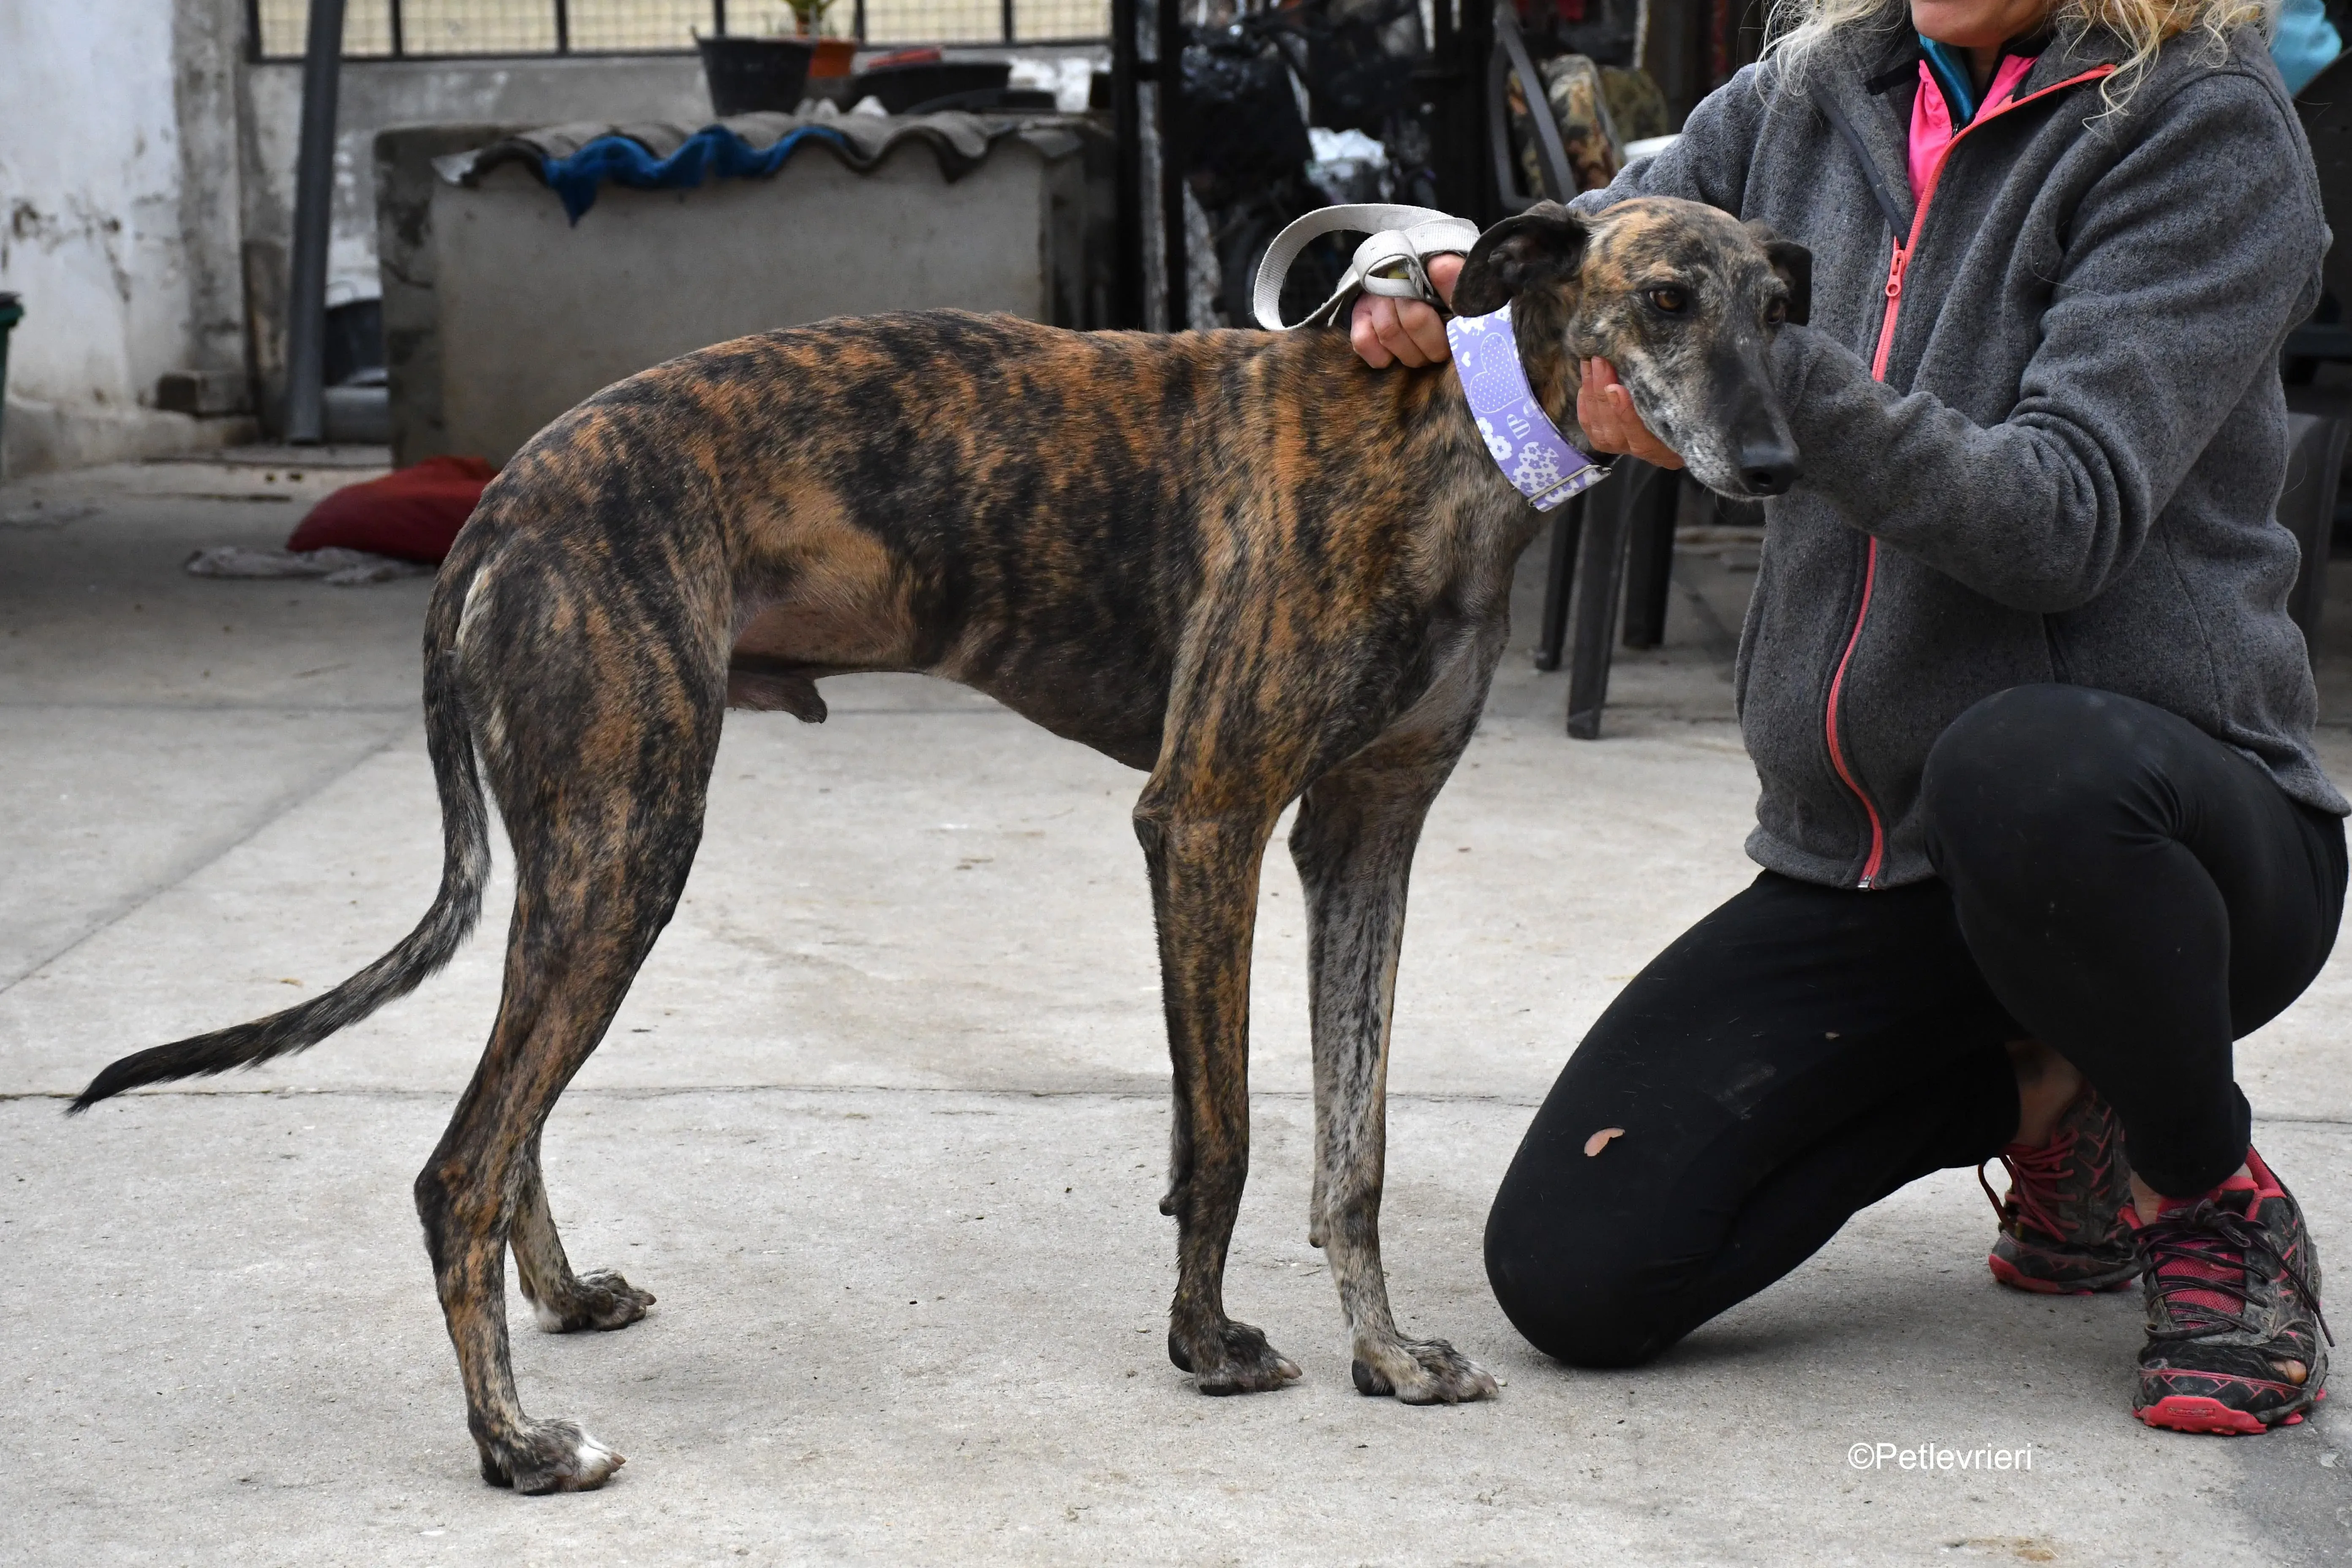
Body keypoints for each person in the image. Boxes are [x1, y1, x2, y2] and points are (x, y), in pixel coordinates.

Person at [1352, 0, 2339, 1433]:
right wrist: (1439, 276)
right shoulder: (1815, 87)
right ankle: (2053, 1093)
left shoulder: (2201, 125)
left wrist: (1754, 374)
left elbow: (2065, 515)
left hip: (2164, 846)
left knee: (2020, 759)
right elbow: (1607, 235)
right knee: (1576, 1272)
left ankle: (2200, 1188)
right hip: (1874, 859)